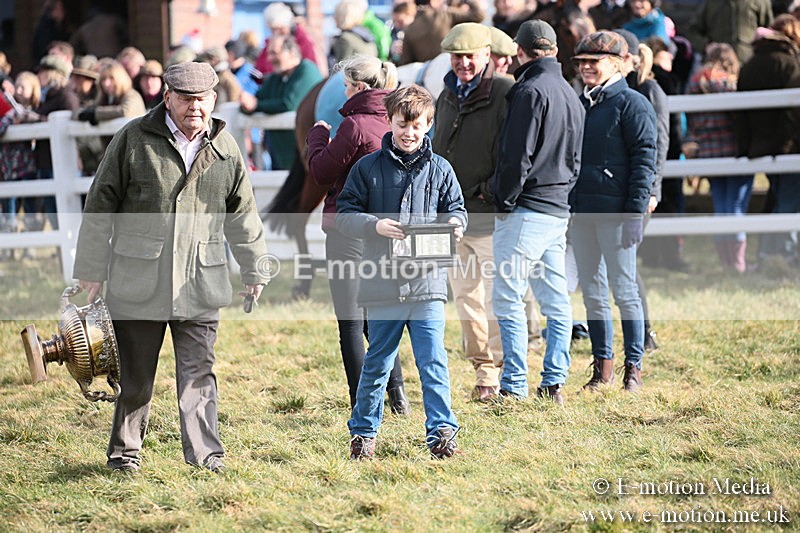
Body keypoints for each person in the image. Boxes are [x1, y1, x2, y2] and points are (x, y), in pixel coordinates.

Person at [72, 61, 270, 473]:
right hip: (138, 280)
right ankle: (124, 455)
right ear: (167, 98)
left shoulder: (225, 146)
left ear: (213, 99)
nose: (195, 107)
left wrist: (254, 269)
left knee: (199, 375)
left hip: (201, 281)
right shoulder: (133, 139)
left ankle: (206, 457)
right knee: (136, 376)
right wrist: (91, 268)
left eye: (202, 99)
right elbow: (100, 204)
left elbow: (243, 214)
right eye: (185, 99)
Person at [336, 84, 467, 460]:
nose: (409, 132)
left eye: (417, 125)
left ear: (429, 124)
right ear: (389, 121)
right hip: (382, 285)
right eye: (402, 124)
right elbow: (344, 214)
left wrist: (456, 223)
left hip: (427, 283)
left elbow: (456, 208)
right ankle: (363, 434)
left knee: (433, 359)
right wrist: (373, 225)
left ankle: (442, 433)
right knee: (377, 362)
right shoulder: (367, 168)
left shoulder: (441, 169)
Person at [306, 55, 409, 412]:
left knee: (350, 322)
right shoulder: (394, 122)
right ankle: (398, 396)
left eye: (347, 87)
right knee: (378, 318)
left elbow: (321, 171)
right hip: (384, 232)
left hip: (348, 231)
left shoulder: (354, 126)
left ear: (360, 87)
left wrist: (318, 136)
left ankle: (361, 404)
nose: (345, 93)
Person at [492, 20, 585, 404]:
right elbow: (577, 159)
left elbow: (517, 157)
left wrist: (503, 201)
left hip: (527, 208)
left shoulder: (529, 91)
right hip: (557, 208)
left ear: (520, 51)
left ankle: (514, 384)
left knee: (507, 298)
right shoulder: (571, 94)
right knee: (555, 300)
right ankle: (554, 381)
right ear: (555, 51)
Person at [569, 31, 657, 392]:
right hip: (583, 212)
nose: (586, 68)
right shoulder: (580, 102)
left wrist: (634, 213)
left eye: (594, 61)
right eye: (582, 62)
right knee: (592, 292)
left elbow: (644, 161)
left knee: (624, 290)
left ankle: (633, 367)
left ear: (617, 64)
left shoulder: (632, 104)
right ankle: (601, 367)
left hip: (616, 213)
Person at [431, 23, 514, 401]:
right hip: (452, 218)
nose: (463, 63)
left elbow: (511, 152)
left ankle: (506, 369)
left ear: (486, 56)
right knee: (466, 299)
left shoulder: (503, 93)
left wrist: (487, 192)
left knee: (497, 298)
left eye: (470, 56)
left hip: (489, 214)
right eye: (457, 57)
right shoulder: (446, 96)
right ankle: (484, 372)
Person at [614, 29, 666, 350]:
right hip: (619, 188)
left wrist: (652, 190)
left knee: (626, 263)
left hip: (640, 190)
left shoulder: (649, 90)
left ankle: (644, 332)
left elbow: (657, 144)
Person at [737, 14, 800, 263]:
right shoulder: (790, 64)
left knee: (778, 196)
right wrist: (787, 144)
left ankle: (767, 251)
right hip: (788, 146)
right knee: (789, 199)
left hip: (760, 144)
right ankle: (783, 253)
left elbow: (741, 113)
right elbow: (792, 113)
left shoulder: (749, 65)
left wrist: (746, 146)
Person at [686, 43, 751, 272]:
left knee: (720, 206)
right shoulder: (730, 85)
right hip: (733, 151)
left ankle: (726, 263)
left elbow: (691, 123)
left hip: (708, 153)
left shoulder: (695, 84)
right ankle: (738, 263)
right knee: (736, 206)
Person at [240, 36, 323, 171]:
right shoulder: (276, 77)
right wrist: (246, 105)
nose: (269, 59)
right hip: (279, 155)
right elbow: (255, 100)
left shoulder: (307, 70)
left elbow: (289, 104)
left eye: (274, 53)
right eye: (269, 54)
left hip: (304, 156)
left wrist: (256, 105)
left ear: (291, 53)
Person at [399, 0, 485, 65]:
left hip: (426, 77)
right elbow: (478, 15)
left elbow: (405, 62)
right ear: (432, 2)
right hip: (450, 68)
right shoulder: (444, 15)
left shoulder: (409, 28)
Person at [687, 0, 773, 62]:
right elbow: (692, 31)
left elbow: (770, 31)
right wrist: (706, 46)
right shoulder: (711, 3)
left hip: (749, 63)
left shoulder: (760, 2)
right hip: (718, 65)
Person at [253, 3, 323, 78]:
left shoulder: (303, 43)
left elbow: (308, 71)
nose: (277, 33)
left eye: (280, 29)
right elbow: (259, 68)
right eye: (273, 29)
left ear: (289, 26)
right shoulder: (270, 44)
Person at [329, 0, 379, 67]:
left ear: (343, 17)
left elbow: (340, 69)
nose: (334, 17)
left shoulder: (345, 39)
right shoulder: (366, 34)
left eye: (336, 14)